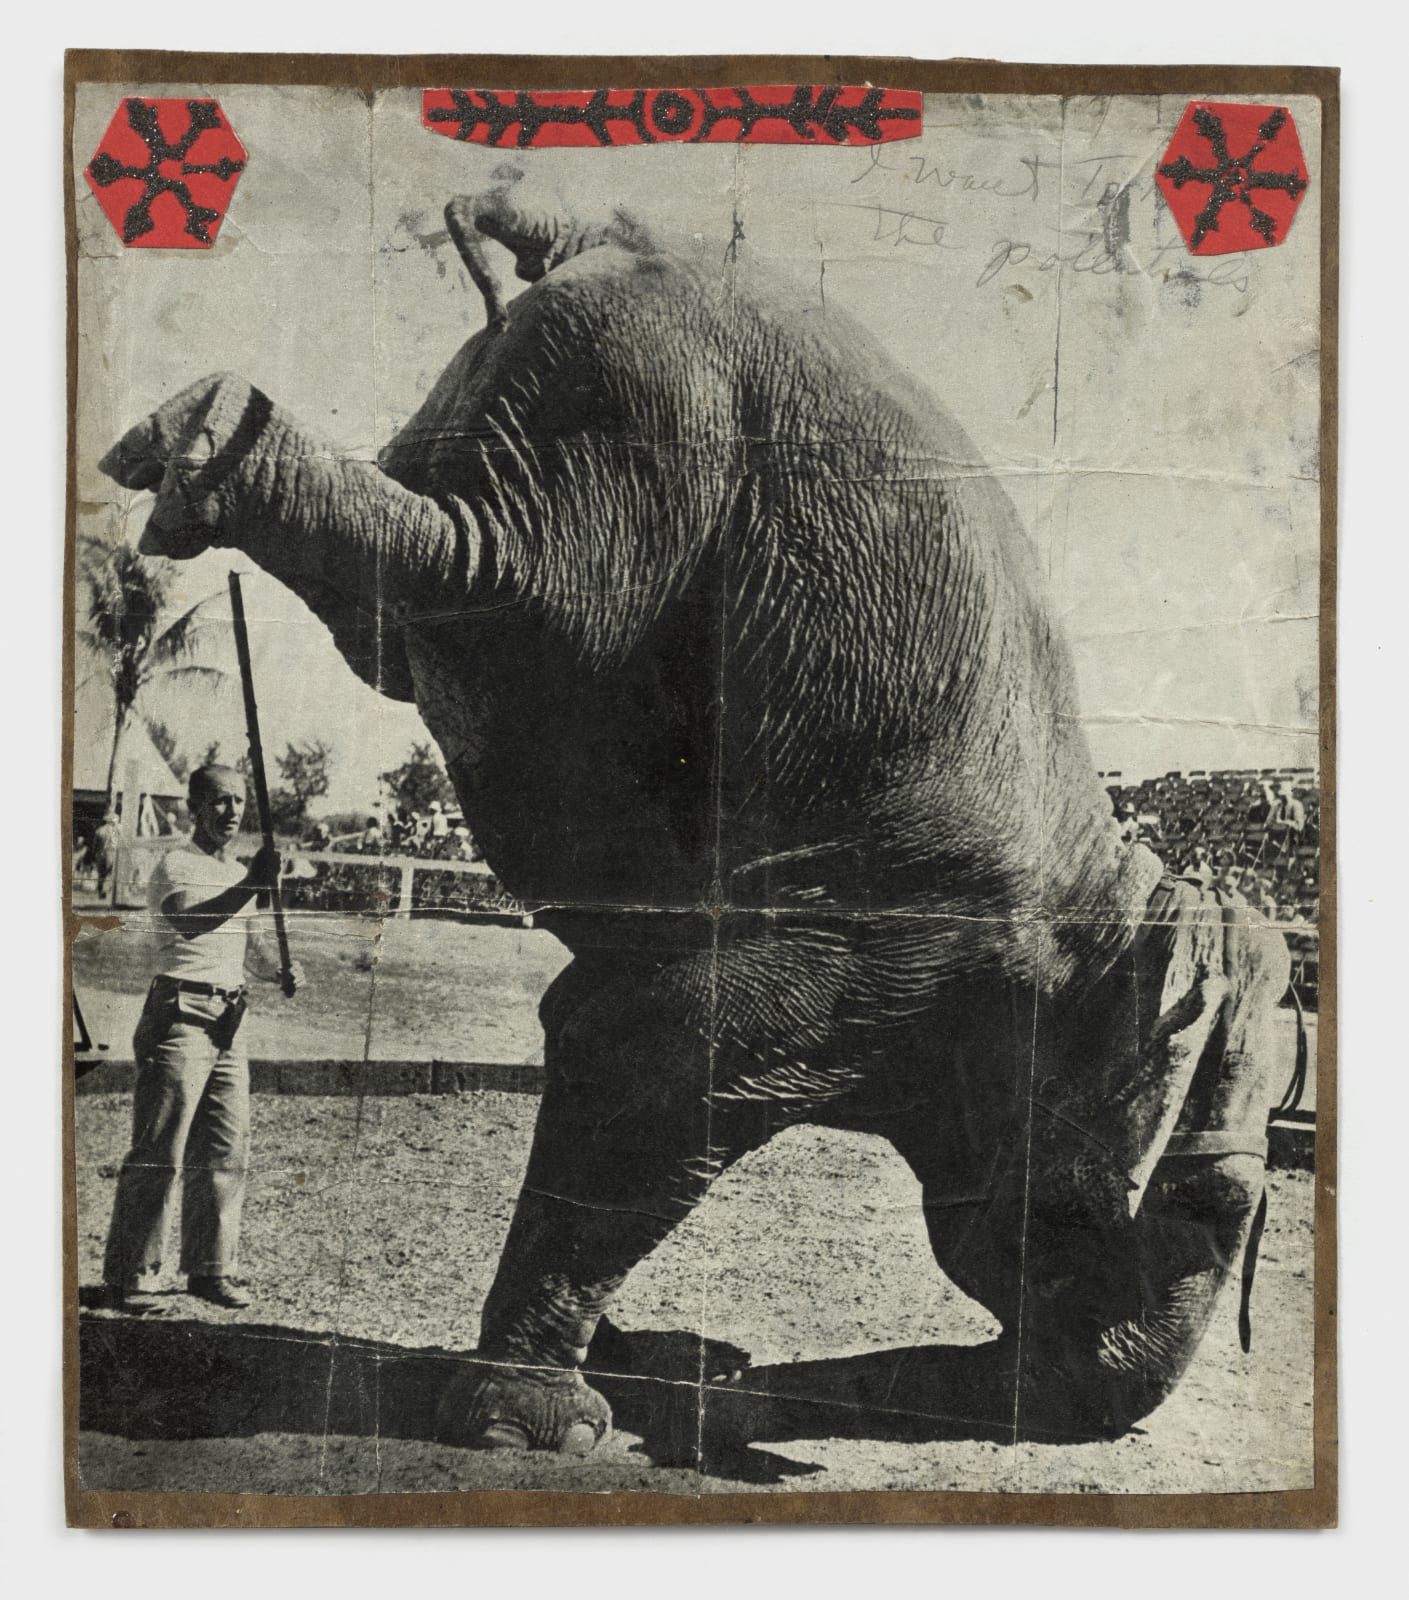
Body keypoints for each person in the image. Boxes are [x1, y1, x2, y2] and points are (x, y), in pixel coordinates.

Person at [101, 764, 304, 1314]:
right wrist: (251, 886)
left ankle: (210, 1270)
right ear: (193, 808)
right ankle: (131, 1277)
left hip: (229, 1022)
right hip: (179, 1016)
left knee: (223, 1151)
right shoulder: (176, 865)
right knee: (160, 1151)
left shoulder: (240, 870)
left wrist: (281, 970)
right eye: (218, 801)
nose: (231, 811)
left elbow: (252, 946)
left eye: (238, 801)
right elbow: (192, 924)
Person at [92, 809, 118, 899]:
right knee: (110, 874)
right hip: (112, 853)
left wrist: (94, 853)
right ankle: (107, 892)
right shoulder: (116, 831)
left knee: (101, 874)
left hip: (100, 853)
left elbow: (95, 844)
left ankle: (100, 892)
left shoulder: (99, 830)